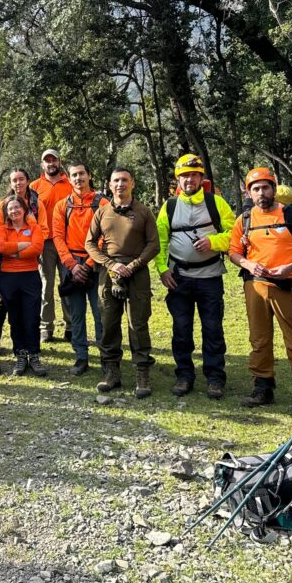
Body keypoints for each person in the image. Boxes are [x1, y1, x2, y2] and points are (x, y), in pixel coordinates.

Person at [228, 167, 292, 412]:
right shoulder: (244, 220)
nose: (261, 193)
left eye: (266, 187)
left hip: (288, 286)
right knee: (259, 340)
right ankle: (263, 387)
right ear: (248, 192)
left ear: (274, 188)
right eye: (255, 189)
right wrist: (247, 263)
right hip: (255, 286)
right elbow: (233, 251)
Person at [155, 154, 236, 399]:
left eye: (193, 175)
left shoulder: (216, 203)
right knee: (181, 328)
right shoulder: (169, 206)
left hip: (210, 277)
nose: (189, 180)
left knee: (213, 328)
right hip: (178, 277)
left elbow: (234, 234)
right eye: (184, 176)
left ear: (201, 177)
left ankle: (215, 378)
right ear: (177, 180)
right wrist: (162, 269)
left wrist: (213, 241)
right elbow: (159, 241)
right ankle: (184, 375)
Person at [84, 168, 160, 397]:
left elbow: (154, 244)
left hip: (137, 273)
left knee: (138, 323)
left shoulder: (144, 212)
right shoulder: (102, 212)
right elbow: (90, 244)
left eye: (124, 180)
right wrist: (110, 264)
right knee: (108, 322)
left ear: (132, 183)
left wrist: (134, 265)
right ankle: (111, 372)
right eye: (116, 181)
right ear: (109, 185)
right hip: (110, 273)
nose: (120, 184)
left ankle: (142, 372)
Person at [51, 162, 109, 375]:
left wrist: (90, 263)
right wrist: (72, 265)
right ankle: (81, 357)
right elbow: (57, 236)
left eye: (82, 174)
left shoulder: (102, 203)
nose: (78, 178)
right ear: (69, 177)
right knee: (76, 314)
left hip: (96, 262)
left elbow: (105, 235)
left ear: (89, 175)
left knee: (100, 312)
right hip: (71, 263)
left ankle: (106, 357)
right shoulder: (61, 206)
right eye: (74, 175)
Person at [0, 169, 45, 348]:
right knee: (2, 300)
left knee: (30, 302)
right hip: (6, 260)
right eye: (14, 180)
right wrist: (20, 246)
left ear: (28, 181)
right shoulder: (2, 205)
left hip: (31, 258)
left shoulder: (36, 203)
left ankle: (31, 346)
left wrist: (23, 248)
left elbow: (43, 229)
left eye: (21, 179)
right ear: (10, 183)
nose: (18, 183)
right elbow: (0, 233)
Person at [0, 195, 47, 376]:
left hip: (30, 276)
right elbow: (2, 247)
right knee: (14, 318)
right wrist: (24, 245)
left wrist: (15, 251)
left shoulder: (34, 227)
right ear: (6, 212)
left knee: (31, 317)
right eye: (10, 209)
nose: (14, 211)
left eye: (17, 207)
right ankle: (21, 355)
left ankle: (34, 355)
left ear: (24, 209)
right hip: (8, 277)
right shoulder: (2, 229)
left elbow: (37, 248)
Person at [30, 149, 74, 342]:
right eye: (47, 161)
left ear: (59, 162)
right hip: (45, 243)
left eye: (53, 160)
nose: (51, 164)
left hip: (67, 241)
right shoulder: (34, 186)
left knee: (68, 283)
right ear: (42, 165)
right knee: (46, 285)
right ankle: (46, 327)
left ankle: (71, 326)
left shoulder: (71, 184)